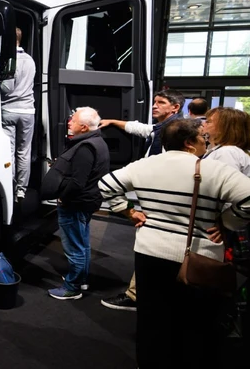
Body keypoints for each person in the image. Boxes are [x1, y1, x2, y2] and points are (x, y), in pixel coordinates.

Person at [98, 118, 250, 368]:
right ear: (189, 143)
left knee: (151, 315)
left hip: (149, 252)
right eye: (204, 138)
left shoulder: (144, 165)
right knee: (195, 320)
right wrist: (228, 222)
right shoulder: (214, 170)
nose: (207, 143)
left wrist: (128, 211)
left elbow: (105, 184)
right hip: (200, 255)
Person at [98, 88, 185, 311]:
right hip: (161, 197)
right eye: (155, 101)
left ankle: (137, 296)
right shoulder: (163, 128)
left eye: (161, 102)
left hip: (163, 198)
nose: (154, 105)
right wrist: (113, 121)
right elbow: (142, 129)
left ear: (175, 108)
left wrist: (129, 208)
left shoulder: (174, 132)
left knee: (150, 246)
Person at [42, 107, 110, 300]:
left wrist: (63, 197)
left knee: (74, 248)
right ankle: (82, 279)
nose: (69, 122)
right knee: (82, 243)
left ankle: (72, 287)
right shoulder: (97, 141)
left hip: (75, 204)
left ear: (84, 127)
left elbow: (77, 182)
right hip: (87, 202)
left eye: (73, 120)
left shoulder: (85, 148)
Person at [1, 27, 37, 202]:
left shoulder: (9, 60)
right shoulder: (30, 60)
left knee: (9, 151)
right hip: (28, 111)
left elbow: (7, 88)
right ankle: (21, 190)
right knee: (24, 151)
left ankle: (9, 186)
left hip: (9, 110)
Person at [202, 106, 250, 175]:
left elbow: (225, 181)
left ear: (224, 128)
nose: (203, 124)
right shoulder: (227, 150)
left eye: (208, 122)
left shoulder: (227, 152)